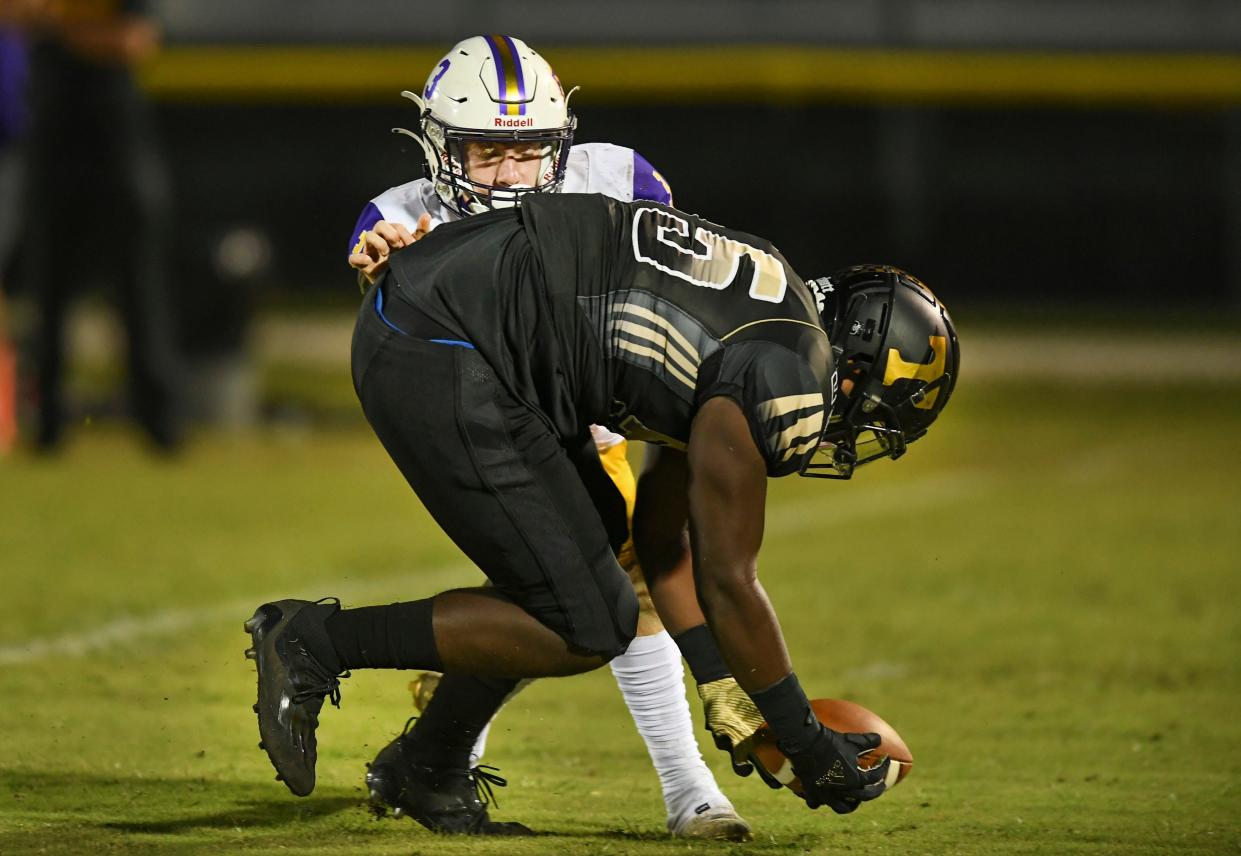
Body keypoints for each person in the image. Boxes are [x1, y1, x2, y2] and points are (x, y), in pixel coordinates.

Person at [244, 192, 959, 836]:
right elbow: (728, 577)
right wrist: (805, 742)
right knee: (588, 621)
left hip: (466, 327)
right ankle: (314, 641)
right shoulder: (786, 376)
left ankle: (427, 766)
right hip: (450, 344)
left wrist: (719, 681)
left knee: (586, 561)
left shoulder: (769, 304)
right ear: (858, 368)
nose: (852, 433)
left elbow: (657, 534)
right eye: (872, 415)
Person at [342, 36, 747, 841]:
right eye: (486, 151)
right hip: (481, 434)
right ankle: (689, 792)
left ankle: (441, 748)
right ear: (439, 147)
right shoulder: (402, 216)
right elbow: (387, 301)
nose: (511, 172)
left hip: (590, 416)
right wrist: (379, 267)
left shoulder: (620, 180)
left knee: (582, 591)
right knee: (603, 587)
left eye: (529, 150)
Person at [20, 0, 181, 452]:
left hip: (117, 142)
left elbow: (136, 40)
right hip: (54, 140)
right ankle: (47, 423)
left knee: (138, 287)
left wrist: (62, 27)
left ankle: (159, 422)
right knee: (49, 292)